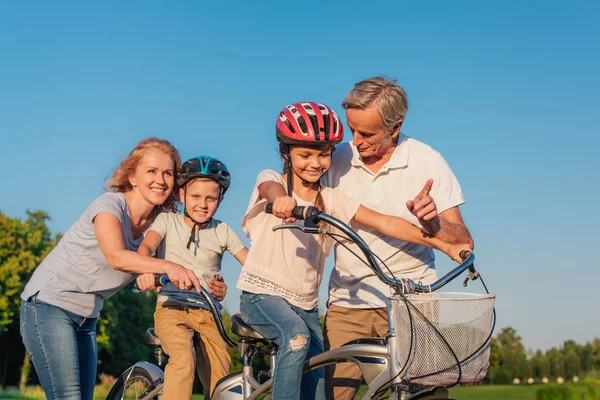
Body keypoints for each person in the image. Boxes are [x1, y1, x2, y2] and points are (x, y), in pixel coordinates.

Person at [236, 101, 470, 400]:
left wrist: (442, 243)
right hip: (262, 295)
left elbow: (386, 223)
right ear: (286, 152)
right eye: (304, 154)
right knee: (296, 338)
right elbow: (270, 188)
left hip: (306, 306)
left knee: (321, 389)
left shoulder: (333, 200)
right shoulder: (273, 180)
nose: (314, 163)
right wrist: (283, 201)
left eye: (323, 154)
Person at [323, 76, 474, 400]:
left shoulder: (426, 161)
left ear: (396, 126)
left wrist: (433, 222)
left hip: (414, 300)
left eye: (367, 133)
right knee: (334, 393)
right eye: (352, 130)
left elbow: (462, 240)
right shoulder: (336, 160)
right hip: (348, 303)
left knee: (425, 394)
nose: (356, 141)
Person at [19, 137, 202, 400]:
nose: (160, 180)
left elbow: (162, 273)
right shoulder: (109, 206)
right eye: (151, 171)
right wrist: (166, 266)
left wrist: (203, 283)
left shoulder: (161, 224)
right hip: (48, 306)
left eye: (168, 173)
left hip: (87, 318)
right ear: (133, 176)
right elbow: (117, 257)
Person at [135, 156, 248, 400]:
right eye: (196, 197)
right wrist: (147, 271)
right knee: (183, 359)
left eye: (211, 198)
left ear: (221, 199)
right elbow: (145, 248)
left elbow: (252, 266)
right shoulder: (167, 221)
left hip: (209, 313)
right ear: (183, 195)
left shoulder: (223, 231)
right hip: (171, 308)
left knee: (222, 370)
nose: (203, 204)